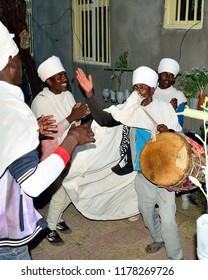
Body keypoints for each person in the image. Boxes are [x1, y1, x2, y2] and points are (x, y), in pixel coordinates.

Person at [0, 20, 95, 260]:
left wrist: (32, 131)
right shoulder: (11, 109)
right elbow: (33, 183)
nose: (20, 62)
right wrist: (71, 139)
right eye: (18, 56)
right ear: (10, 62)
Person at [76, 66, 184, 260]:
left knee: (168, 219)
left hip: (166, 174)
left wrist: (168, 131)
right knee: (146, 211)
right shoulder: (129, 110)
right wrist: (90, 94)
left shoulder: (165, 108)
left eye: (142, 87)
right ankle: (158, 238)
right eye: (135, 87)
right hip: (143, 174)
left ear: (152, 89)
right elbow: (104, 119)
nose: (138, 91)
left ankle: (177, 257)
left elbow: (181, 139)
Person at [31, 56, 91, 245]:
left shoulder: (67, 95)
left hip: (70, 150)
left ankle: (57, 219)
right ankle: (49, 228)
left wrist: (79, 116)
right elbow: (49, 132)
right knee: (60, 195)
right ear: (48, 81)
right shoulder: (40, 101)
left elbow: (75, 124)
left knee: (74, 189)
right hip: (51, 156)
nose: (65, 79)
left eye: (64, 75)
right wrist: (71, 116)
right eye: (59, 77)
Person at [154, 58, 190, 210]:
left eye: (171, 75)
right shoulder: (150, 90)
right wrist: (167, 109)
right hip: (152, 132)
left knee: (178, 165)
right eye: (164, 74)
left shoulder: (178, 95)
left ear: (174, 78)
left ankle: (184, 193)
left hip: (172, 133)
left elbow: (179, 121)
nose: (167, 78)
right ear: (158, 75)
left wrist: (172, 111)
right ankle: (155, 197)